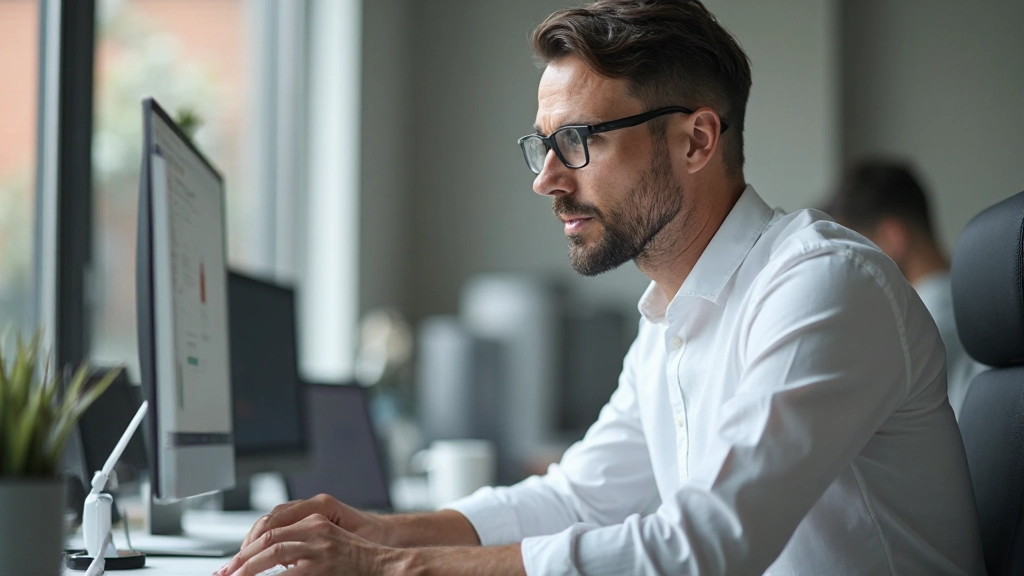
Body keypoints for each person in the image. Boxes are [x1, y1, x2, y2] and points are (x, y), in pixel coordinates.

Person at [218, 2, 984, 574]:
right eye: (542, 146)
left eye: (577, 142)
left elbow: (703, 547)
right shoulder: (668, 323)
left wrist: (388, 569)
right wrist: (373, 529)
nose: (546, 180)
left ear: (695, 139)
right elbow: (577, 498)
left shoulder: (822, 286)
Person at [824, 161, 987, 420]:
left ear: (893, 237)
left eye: (855, 248)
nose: (849, 267)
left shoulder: (915, 326)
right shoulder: (983, 300)